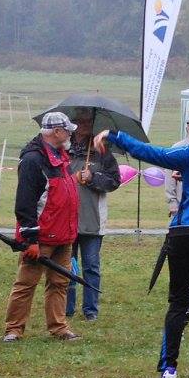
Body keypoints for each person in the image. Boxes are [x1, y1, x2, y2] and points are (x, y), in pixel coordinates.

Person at [94, 103, 189, 378]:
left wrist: (114, 135)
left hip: (182, 233)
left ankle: (169, 371)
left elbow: (150, 153)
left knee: (177, 302)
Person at [2, 111, 81, 343]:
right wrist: (30, 241)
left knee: (60, 283)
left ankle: (59, 327)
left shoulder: (62, 157)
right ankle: (14, 329)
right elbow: (25, 204)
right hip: (41, 238)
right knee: (26, 284)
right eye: (67, 131)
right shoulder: (32, 161)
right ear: (56, 132)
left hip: (64, 236)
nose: (70, 134)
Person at [65, 109, 121, 321]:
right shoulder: (63, 149)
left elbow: (114, 181)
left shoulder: (101, 150)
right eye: (80, 121)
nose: (83, 125)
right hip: (66, 219)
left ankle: (90, 311)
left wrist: (93, 177)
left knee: (91, 267)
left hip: (93, 220)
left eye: (88, 121)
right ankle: (67, 309)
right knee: (67, 266)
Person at [164, 115, 189, 217]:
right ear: (187, 129)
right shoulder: (177, 149)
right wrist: (172, 203)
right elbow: (169, 178)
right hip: (182, 205)